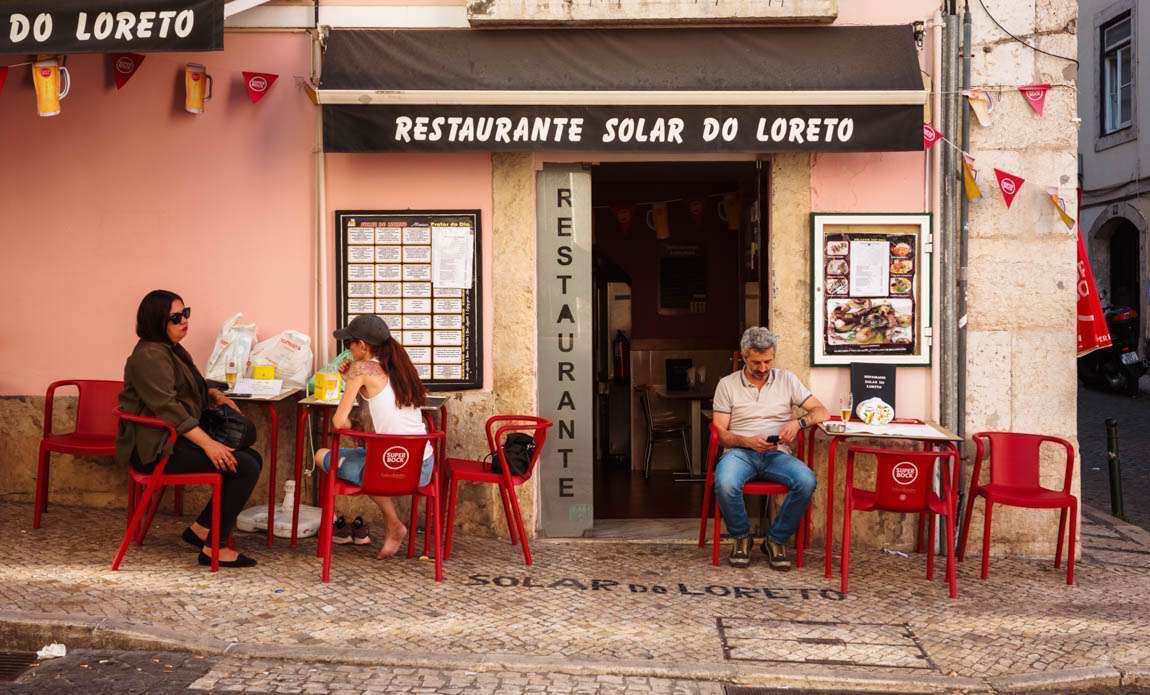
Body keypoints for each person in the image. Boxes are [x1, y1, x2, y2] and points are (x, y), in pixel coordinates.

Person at [116, 290, 261, 569]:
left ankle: (201, 530)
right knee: (244, 465)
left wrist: (214, 393)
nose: (184, 321)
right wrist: (209, 444)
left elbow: (191, 383)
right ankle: (213, 548)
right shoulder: (149, 356)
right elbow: (170, 410)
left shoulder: (171, 349)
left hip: (172, 440)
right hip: (156, 450)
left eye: (186, 313)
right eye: (175, 317)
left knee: (251, 458)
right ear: (156, 321)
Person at [314, 315, 434, 559]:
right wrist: (355, 385)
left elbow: (340, 423)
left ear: (363, 346)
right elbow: (378, 415)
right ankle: (394, 526)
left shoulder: (361, 368)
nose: (348, 349)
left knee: (321, 455)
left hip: (388, 468)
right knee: (371, 457)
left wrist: (348, 380)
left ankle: (394, 524)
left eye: (350, 344)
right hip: (421, 466)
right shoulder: (400, 367)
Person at [711, 327, 828, 570]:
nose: (763, 368)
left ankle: (776, 540)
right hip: (739, 453)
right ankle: (742, 537)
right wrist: (746, 441)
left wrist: (798, 422)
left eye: (768, 361)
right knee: (724, 483)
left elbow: (821, 411)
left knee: (806, 481)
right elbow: (721, 434)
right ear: (744, 356)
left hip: (777, 454)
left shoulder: (787, 379)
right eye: (756, 362)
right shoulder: (727, 385)